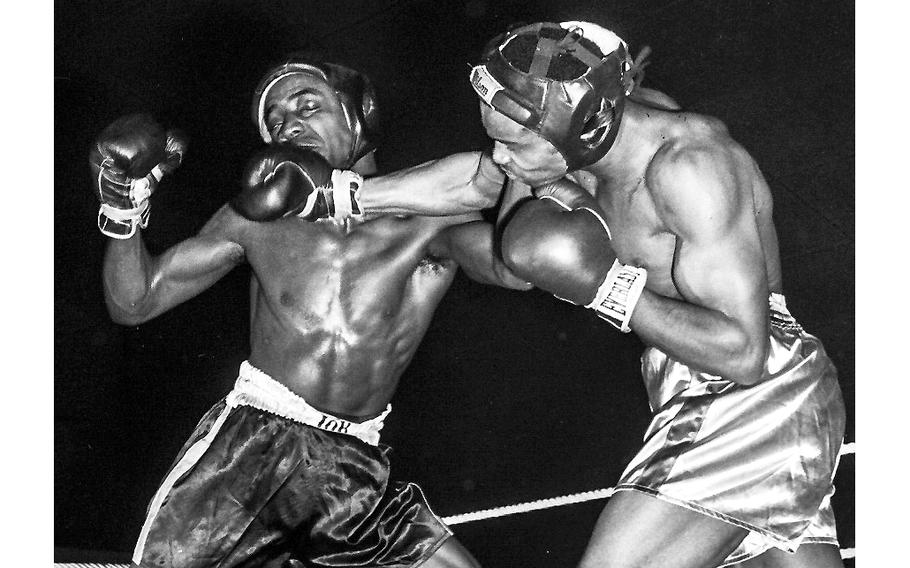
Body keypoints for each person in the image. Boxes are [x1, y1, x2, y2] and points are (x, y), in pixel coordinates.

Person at [91, 53, 530, 568]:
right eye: (275, 121)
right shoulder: (258, 222)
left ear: (356, 114)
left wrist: (524, 135)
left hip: (355, 472)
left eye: (307, 105)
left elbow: (511, 258)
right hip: (251, 454)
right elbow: (135, 302)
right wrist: (123, 210)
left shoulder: (425, 226)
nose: (289, 125)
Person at [464, 20, 846, 568]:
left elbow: (744, 354)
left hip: (752, 387)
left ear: (583, 128)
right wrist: (420, 229)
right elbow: (515, 260)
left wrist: (610, 290)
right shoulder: (587, 137)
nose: (500, 159)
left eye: (513, 143)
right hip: (693, 383)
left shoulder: (689, 167)